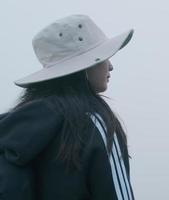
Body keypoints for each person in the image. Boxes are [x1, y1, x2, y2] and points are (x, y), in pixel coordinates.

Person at [0, 14, 135, 200]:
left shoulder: (12, 130)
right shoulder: (94, 122)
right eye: (104, 57)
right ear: (85, 66)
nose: (110, 66)